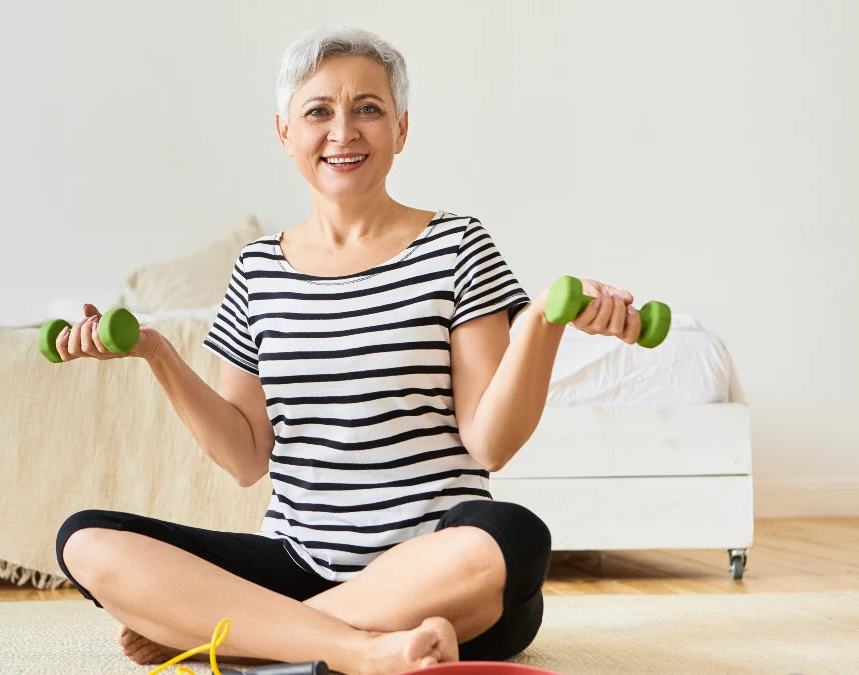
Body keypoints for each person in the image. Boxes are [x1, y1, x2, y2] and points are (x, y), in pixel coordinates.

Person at [54, 25, 643, 675]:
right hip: (298, 563)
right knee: (86, 539)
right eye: (318, 111)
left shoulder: (458, 247)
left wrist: (539, 323)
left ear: (401, 129)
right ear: (284, 132)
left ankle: (256, 639)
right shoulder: (256, 272)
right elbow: (246, 457)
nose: (344, 131)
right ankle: (361, 649)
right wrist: (158, 354)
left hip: (441, 573)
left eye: (368, 108)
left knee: (513, 535)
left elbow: (492, 443)